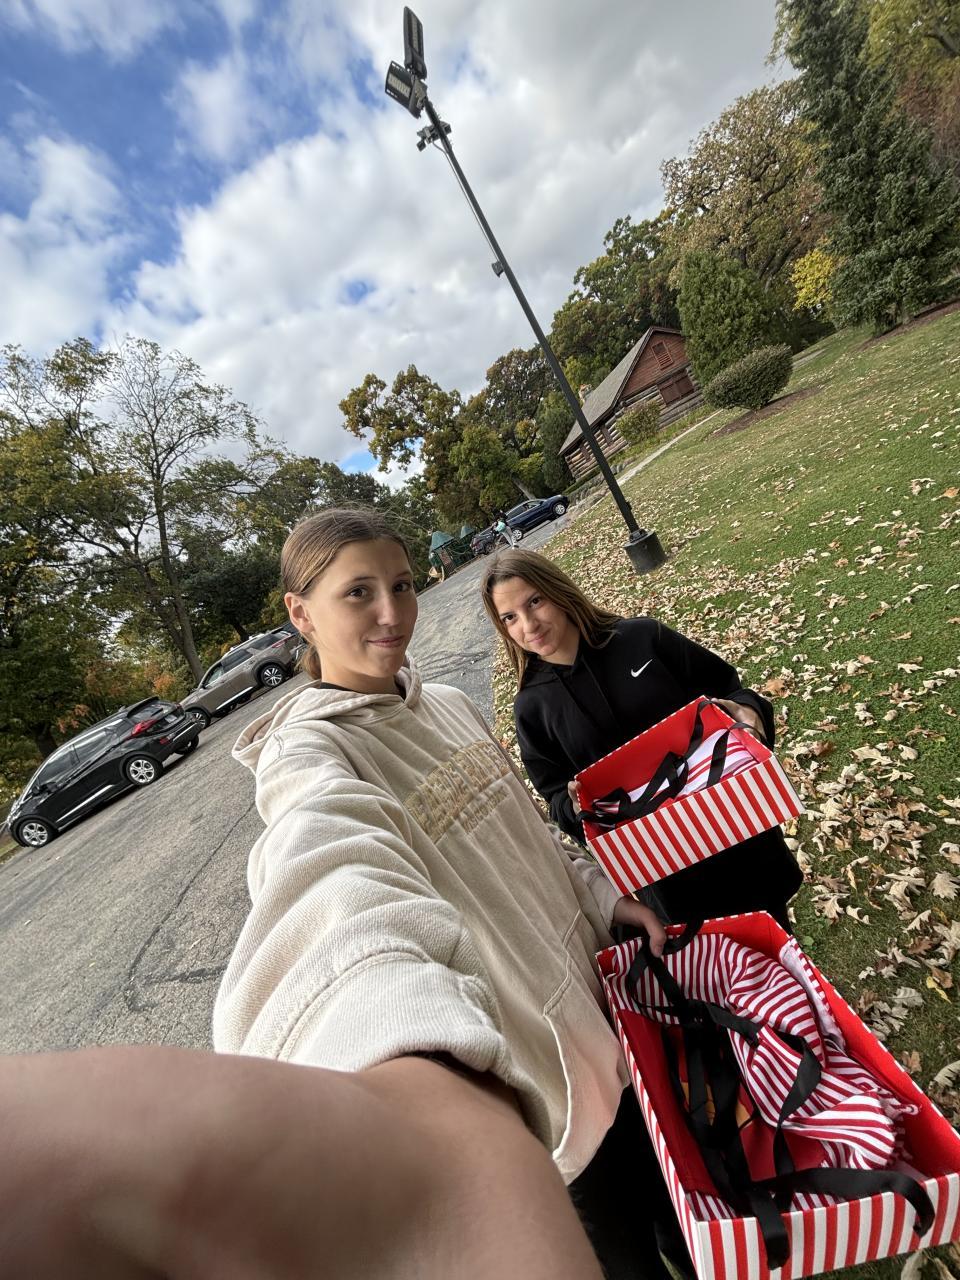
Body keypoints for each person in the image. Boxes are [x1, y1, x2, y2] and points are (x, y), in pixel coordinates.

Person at [211, 507, 687, 1280]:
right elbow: (325, 864)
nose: (392, 613)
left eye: (401, 585)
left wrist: (604, 896)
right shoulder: (311, 751)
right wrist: (363, 1040)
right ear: (301, 614)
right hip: (548, 1096)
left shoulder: (453, 707)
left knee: (686, 1223)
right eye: (358, 592)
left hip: (616, 1021)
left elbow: (532, 834)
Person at [480, 548, 803, 930]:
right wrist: (576, 807)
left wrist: (748, 714)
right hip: (666, 873)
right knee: (716, 961)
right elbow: (555, 797)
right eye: (510, 617)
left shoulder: (642, 638)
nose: (529, 625)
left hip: (736, 835)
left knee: (778, 945)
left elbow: (729, 689)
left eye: (535, 601)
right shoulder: (531, 709)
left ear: (558, 591)